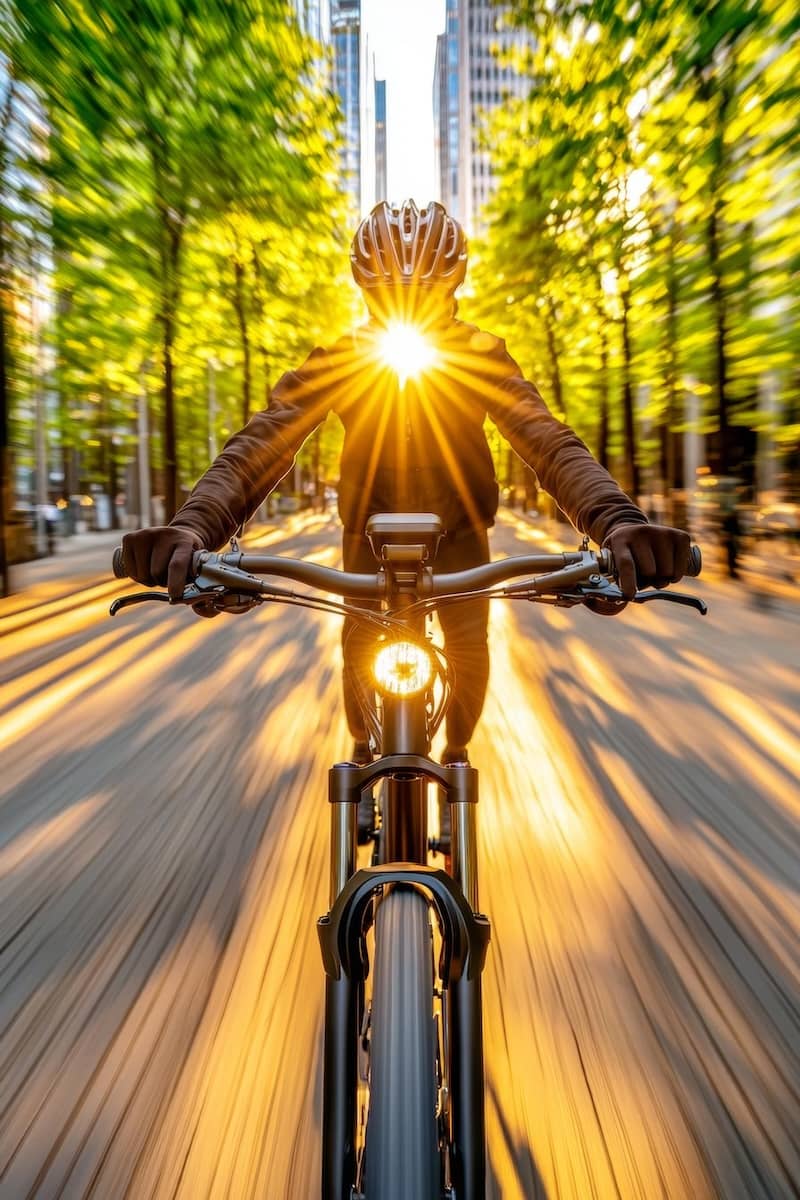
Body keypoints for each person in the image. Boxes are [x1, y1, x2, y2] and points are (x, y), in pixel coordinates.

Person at [121, 199, 692, 765]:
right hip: (366, 541)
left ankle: (457, 754)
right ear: (365, 290)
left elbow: (546, 440)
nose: (408, 311)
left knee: (469, 654)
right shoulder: (341, 358)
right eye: (388, 296)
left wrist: (617, 520)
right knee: (357, 654)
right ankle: (365, 746)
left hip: (462, 538)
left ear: (453, 287)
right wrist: (193, 527)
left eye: (428, 296)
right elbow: (266, 440)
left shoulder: (481, 354)